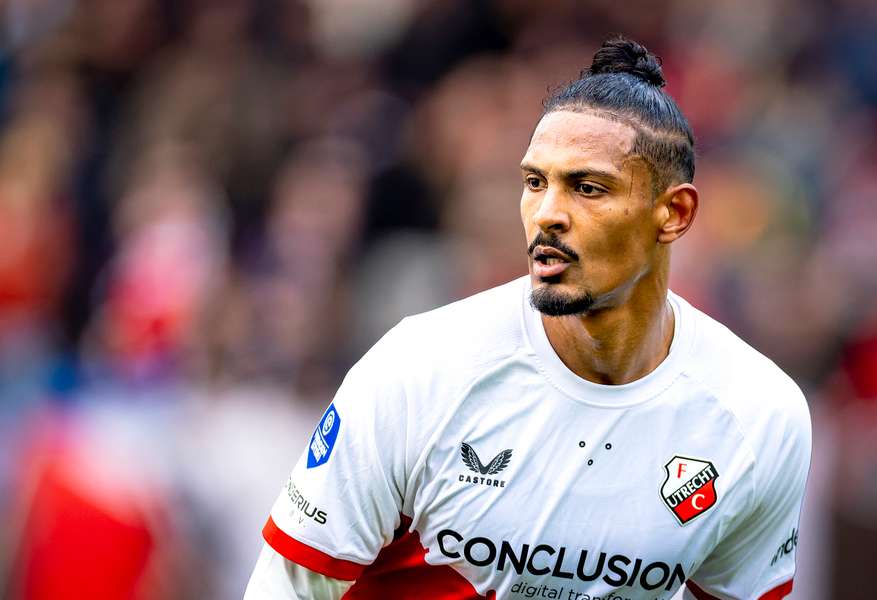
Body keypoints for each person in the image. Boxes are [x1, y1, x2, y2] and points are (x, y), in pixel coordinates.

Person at [244, 37, 811, 600]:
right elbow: (286, 589)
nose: (547, 214)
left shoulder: (759, 415)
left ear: (674, 213)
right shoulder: (419, 369)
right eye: (535, 183)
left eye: (587, 188)